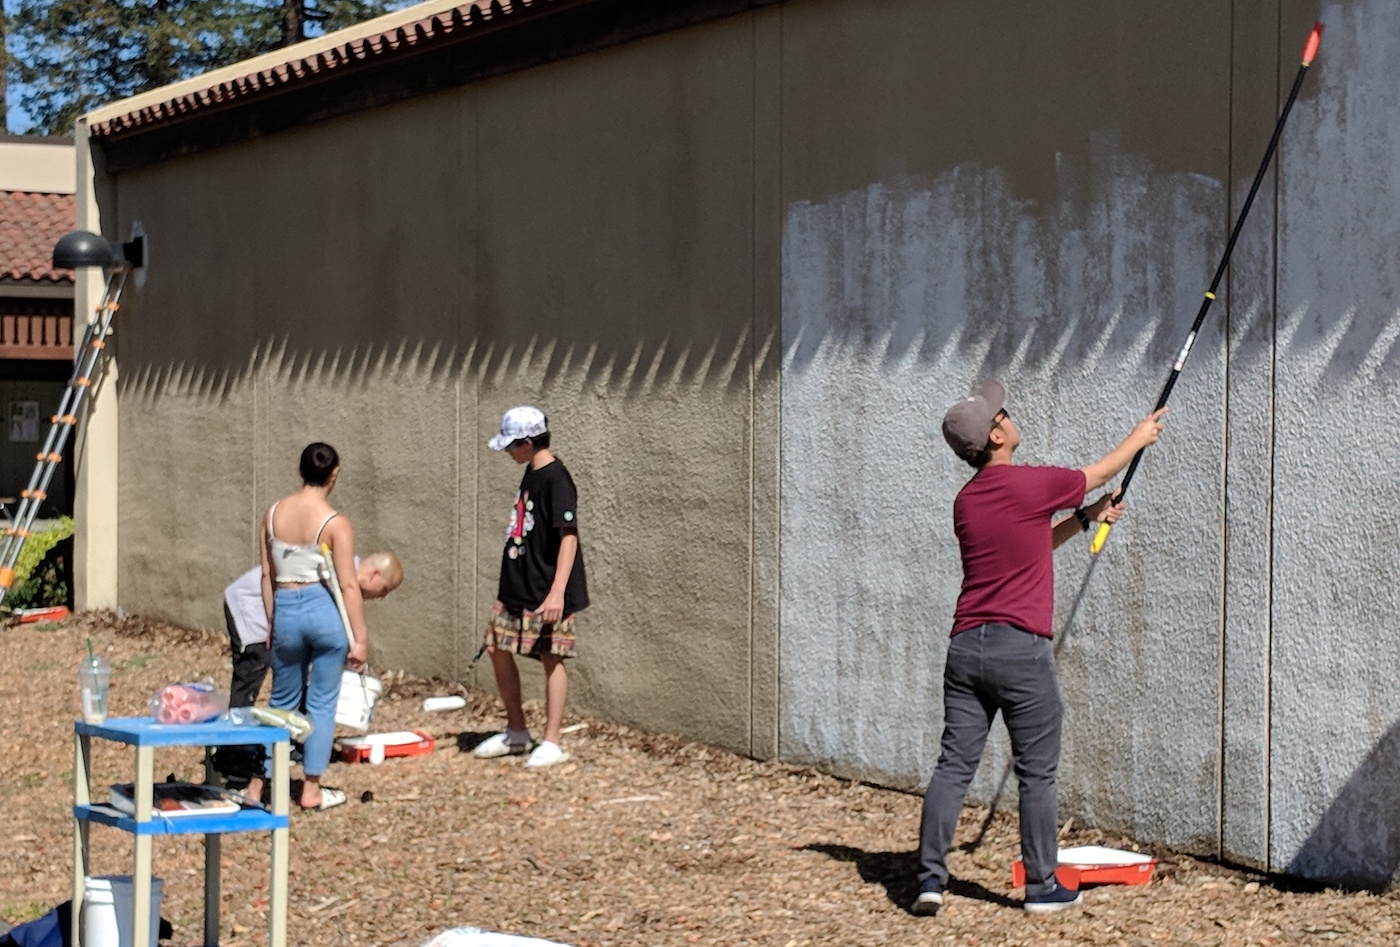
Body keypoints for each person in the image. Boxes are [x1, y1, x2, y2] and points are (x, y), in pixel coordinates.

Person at [913, 379, 1166, 916]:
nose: (1008, 414)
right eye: (1001, 412)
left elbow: (1033, 543)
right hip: (1019, 650)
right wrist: (1139, 436)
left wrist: (1085, 518)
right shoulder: (1029, 485)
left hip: (966, 647)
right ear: (996, 435)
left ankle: (929, 880)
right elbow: (1098, 473)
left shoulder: (966, 503)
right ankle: (1042, 886)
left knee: (953, 765)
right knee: (1036, 771)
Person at [243, 442, 373, 810]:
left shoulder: (272, 515)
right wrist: (360, 638)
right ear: (334, 474)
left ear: (300, 471)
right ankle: (311, 788)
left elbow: (267, 574)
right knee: (322, 702)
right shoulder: (335, 523)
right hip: (323, 609)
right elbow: (348, 585)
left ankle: (257, 785)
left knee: (280, 702)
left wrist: (273, 620)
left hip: (285, 606)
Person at [212, 550, 403, 791]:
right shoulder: (339, 575)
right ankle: (233, 753)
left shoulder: (344, 578)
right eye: (384, 590)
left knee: (297, 683)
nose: (382, 597)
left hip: (284, 617)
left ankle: (291, 742)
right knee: (251, 674)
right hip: (252, 605)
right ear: (374, 575)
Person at [474, 406, 588, 769]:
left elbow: (568, 536)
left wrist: (557, 592)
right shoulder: (532, 472)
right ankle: (517, 731)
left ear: (527, 442)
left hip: (547, 588)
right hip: (518, 585)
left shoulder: (557, 479)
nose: (508, 452)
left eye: (511, 445)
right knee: (496, 647)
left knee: (551, 656)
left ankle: (551, 741)